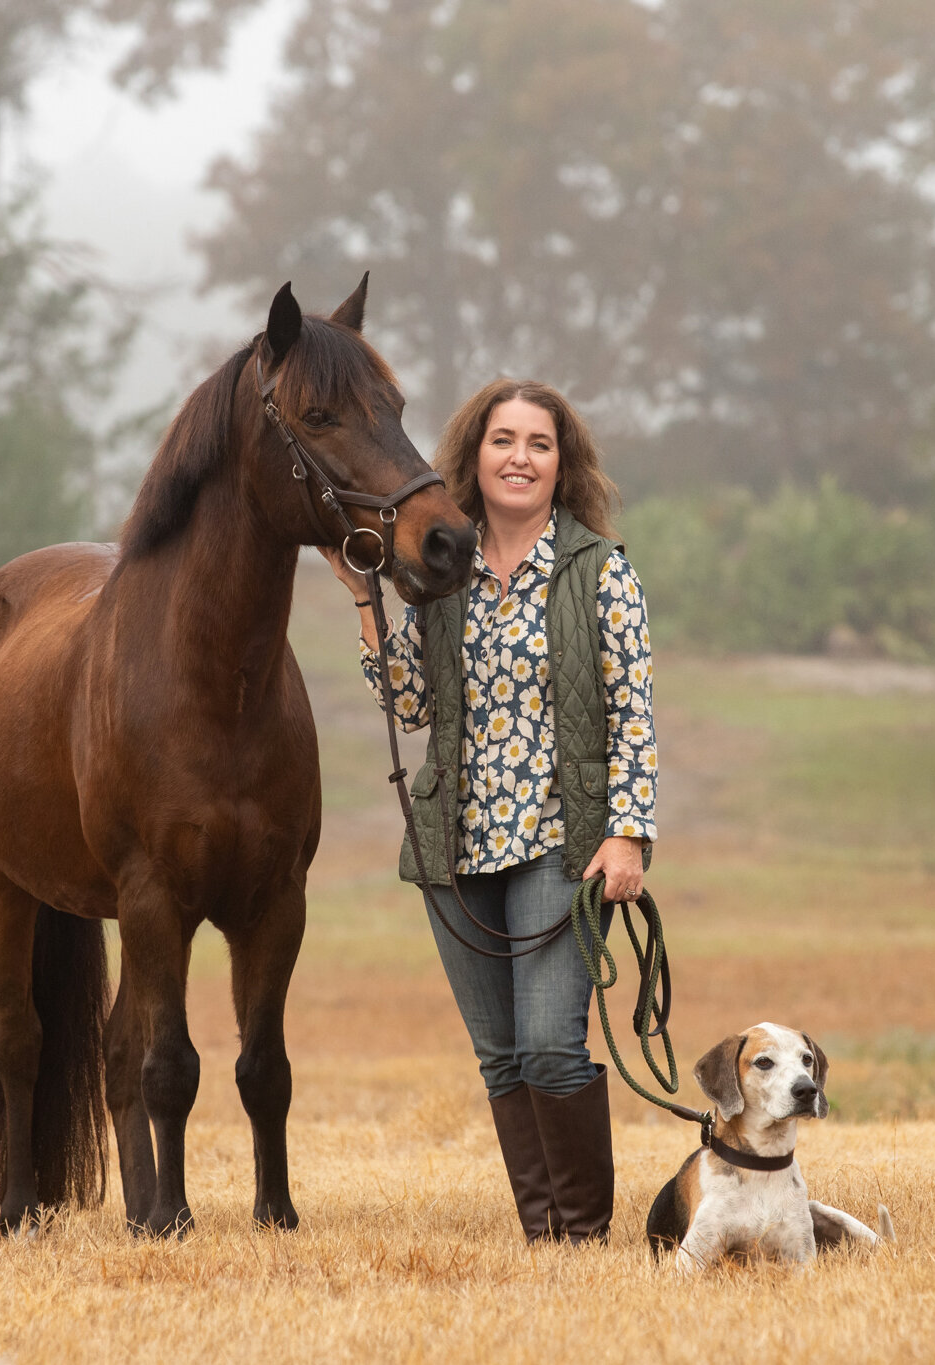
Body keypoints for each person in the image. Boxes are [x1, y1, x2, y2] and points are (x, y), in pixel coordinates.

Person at [323, 378, 656, 1244]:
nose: (520, 457)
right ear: (475, 455)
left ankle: (580, 1238)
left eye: (538, 443)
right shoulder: (443, 568)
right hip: (455, 846)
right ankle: (542, 1236)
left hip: (563, 843)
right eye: (503, 440)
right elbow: (412, 706)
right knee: (502, 1055)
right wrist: (366, 601)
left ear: (561, 463)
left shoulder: (599, 572)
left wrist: (627, 832)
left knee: (551, 1045)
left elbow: (634, 718)